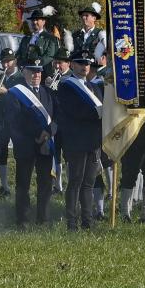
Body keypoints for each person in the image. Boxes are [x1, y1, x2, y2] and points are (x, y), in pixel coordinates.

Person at [3, 58, 56, 228]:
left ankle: (43, 219)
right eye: (33, 71)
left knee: (46, 184)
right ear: (24, 72)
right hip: (25, 144)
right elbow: (15, 120)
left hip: (45, 144)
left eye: (39, 71)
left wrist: (48, 132)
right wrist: (36, 133)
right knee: (23, 185)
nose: (36, 75)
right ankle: (23, 220)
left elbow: (56, 117)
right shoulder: (15, 93)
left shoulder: (48, 93)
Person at [55, 51, 103, 230]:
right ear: (72, 65)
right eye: (81, 63)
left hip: (92, 140)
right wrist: (96, 113)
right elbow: (72, 111)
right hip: (76, 141)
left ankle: (87, 221)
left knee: (89, 182)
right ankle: (72, 222)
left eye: (87, 63)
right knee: (75, 181)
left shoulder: (94, 87)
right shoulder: (67, 86)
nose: (85, 67)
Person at [0, 48, 22, 198]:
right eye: (3, 62)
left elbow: (21, 101)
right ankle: (4, 186)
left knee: (19, 154)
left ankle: (21, 184)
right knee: (1, 153)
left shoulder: (21, 78)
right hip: (1, 121)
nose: (5, 65)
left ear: (14, 61)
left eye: (8, 61)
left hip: (15, 121)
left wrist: (7, 92)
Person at [16, 8, 60, 77]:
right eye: (33, 20)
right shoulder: (25, 38)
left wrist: (35, 65)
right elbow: (19, 55)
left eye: (37, 20)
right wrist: (22, 65)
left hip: (43, 75)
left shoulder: (50, 38)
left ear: (43, 22)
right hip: (25, 74)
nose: (34, 22)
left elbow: (49, 56)